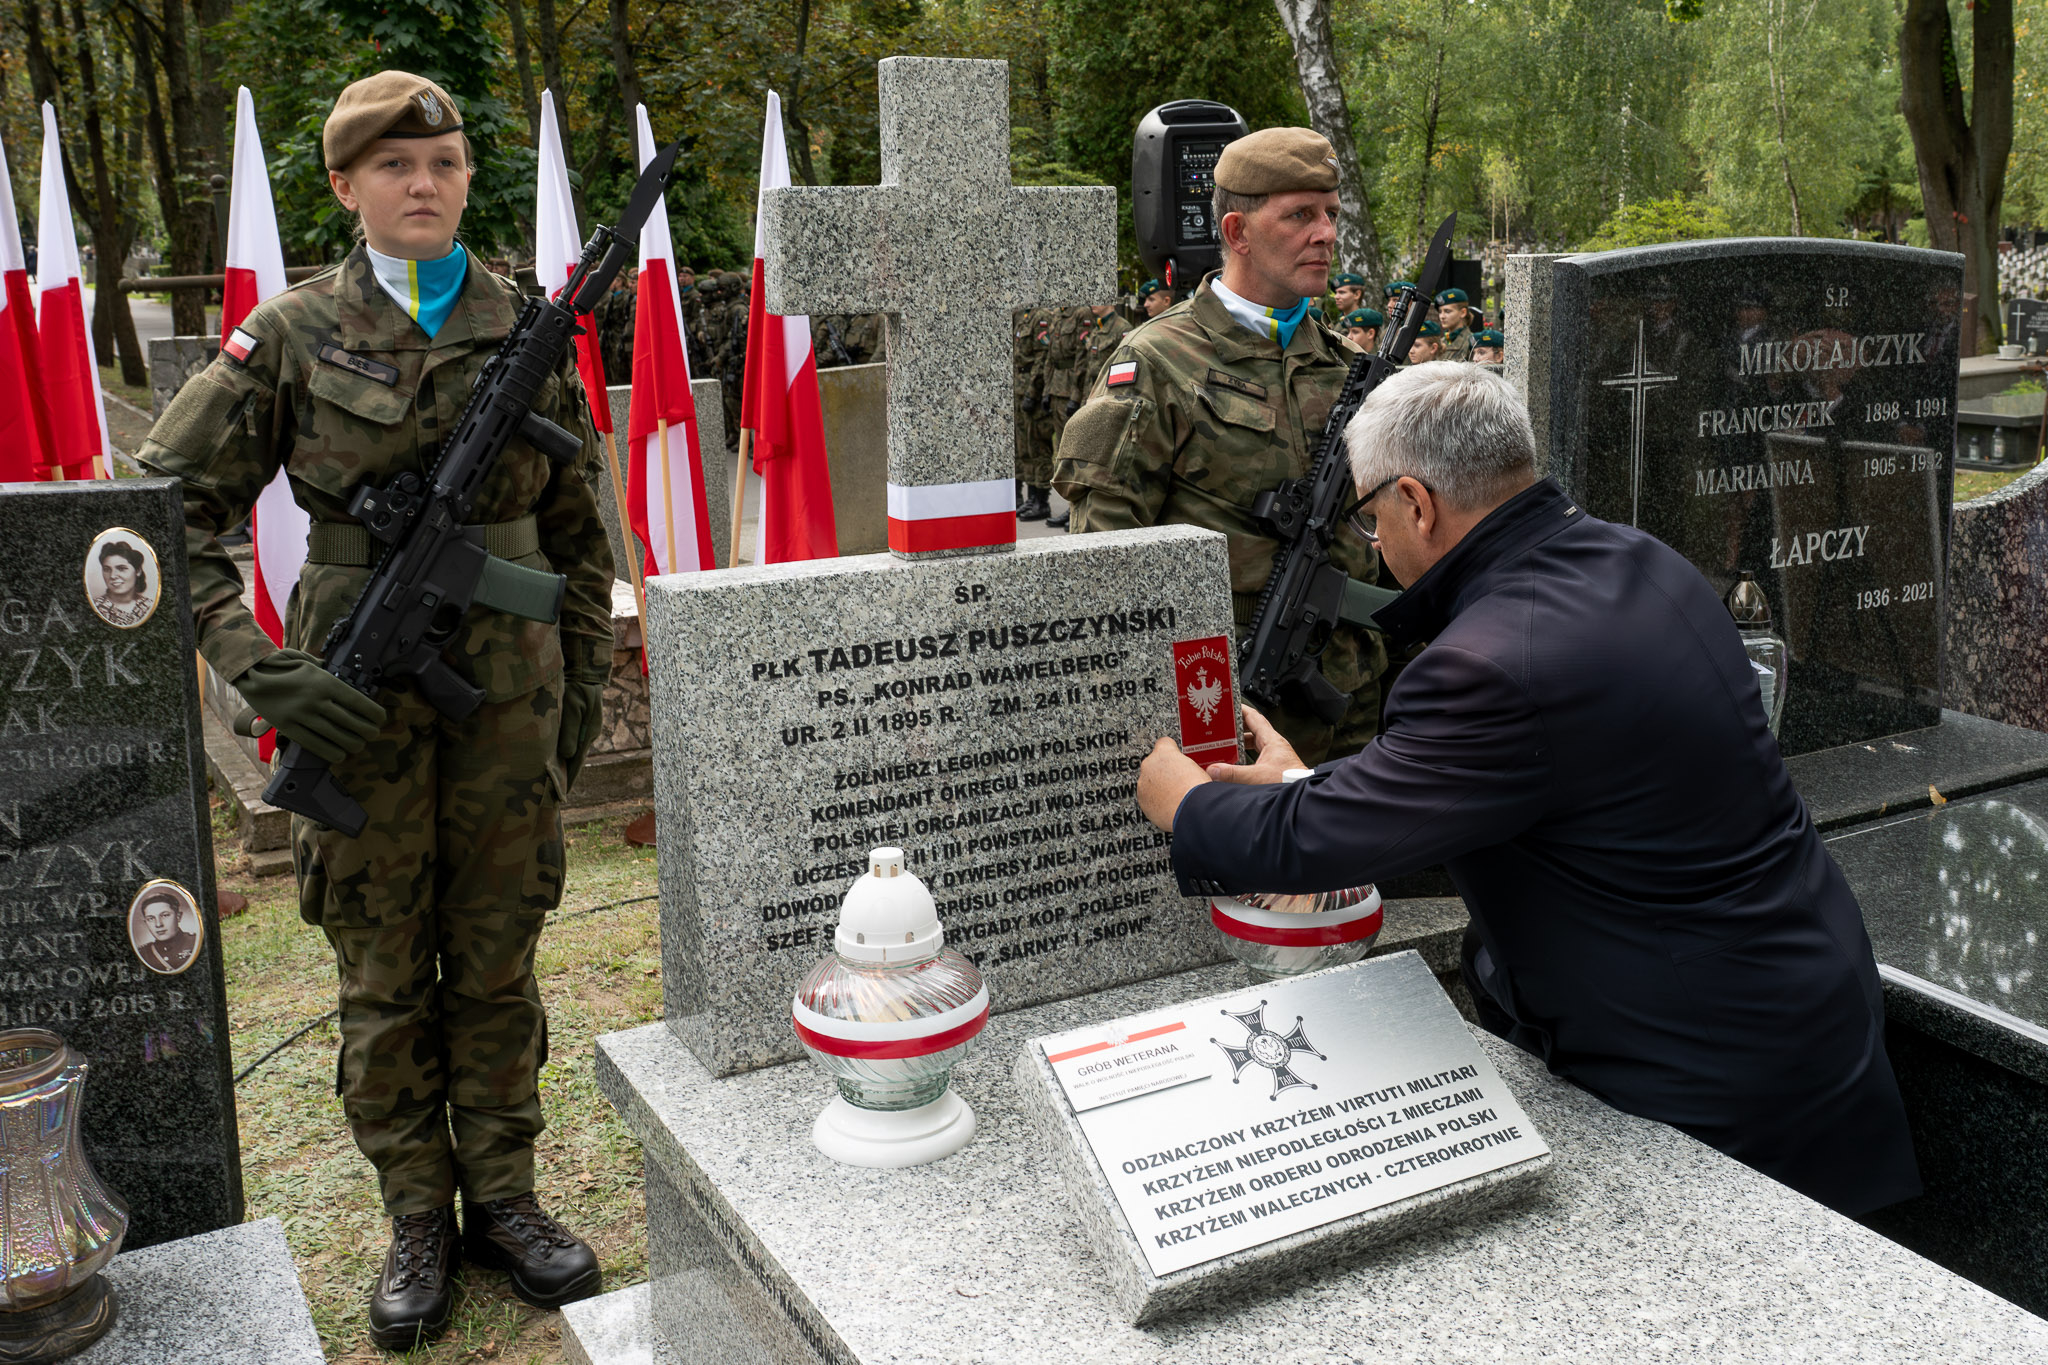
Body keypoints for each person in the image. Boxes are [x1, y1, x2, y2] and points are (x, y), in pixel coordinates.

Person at [1135, 361, 1922, 1220]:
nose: (1376, 543)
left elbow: (1313, 842)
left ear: (1417, 502)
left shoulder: (1489, 661)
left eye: (1370, 521)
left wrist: (1183, 798)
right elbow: (1536, 773)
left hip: (1712, 1086)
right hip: (1806, 1007)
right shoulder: (1641, 561)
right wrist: (1298, 779)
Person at [136, 71, 610, 1351]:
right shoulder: (290, 334)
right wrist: (249, 659)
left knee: (499, 954)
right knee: (383, 963)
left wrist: (578, 709)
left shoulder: (531, 327)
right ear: (346, 187)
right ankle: (416, 1210)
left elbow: (579, 539)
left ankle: (504, 1199)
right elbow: (162, 510)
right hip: (354, 696)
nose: (423, 184)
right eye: (394, 165)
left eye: (444, 163)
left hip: (510, 700)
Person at [1054, 126, 1387, 763]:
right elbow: (1108, 555)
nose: (1324, 233)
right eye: (1299, 216)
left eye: (1330, 215)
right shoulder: (1157, 360)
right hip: (1228, 704)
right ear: (1237, 233)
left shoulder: (1347, 366)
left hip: (1352, 704)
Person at [92, 539, 153, 627]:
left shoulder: (148, 606)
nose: (112, 576)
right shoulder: (97, 607)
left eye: (121, 568)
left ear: (138, 571)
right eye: (107, 569)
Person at [134, 889, 198, 973]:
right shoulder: (143, 953)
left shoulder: (195, 942)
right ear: (146, 922)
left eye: (165, 915)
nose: (158, 924)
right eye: (151, 918)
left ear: (178, 916)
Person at [1435, 288, 1475, 361]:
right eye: (1440, 312)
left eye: (1447, 311)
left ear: (1463, 312)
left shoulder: (1472, 343)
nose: (1442, 316)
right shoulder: (1441, 342)